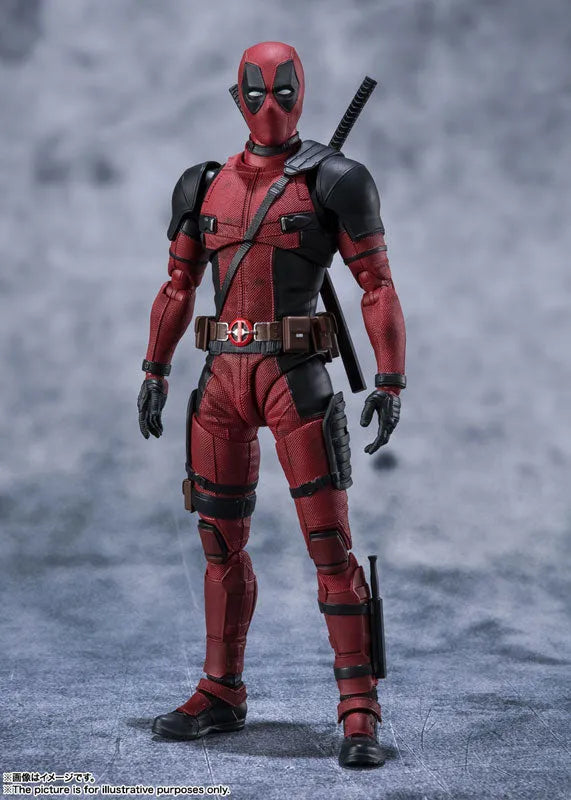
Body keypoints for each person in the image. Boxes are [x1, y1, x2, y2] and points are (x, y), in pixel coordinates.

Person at [138, 41, 406, 769]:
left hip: (295, 379)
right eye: (254, 92)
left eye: (282, 90)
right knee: (218, 542)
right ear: (237, 96)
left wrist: (389, 380)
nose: (268, 105)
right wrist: (155, 368)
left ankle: (358, 708)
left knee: (329, 545)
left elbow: (377, 286)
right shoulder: (201, 185)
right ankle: (220, 690)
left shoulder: (336, 180)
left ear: (301, 92)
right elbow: (177, 286)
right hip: (220, 383)